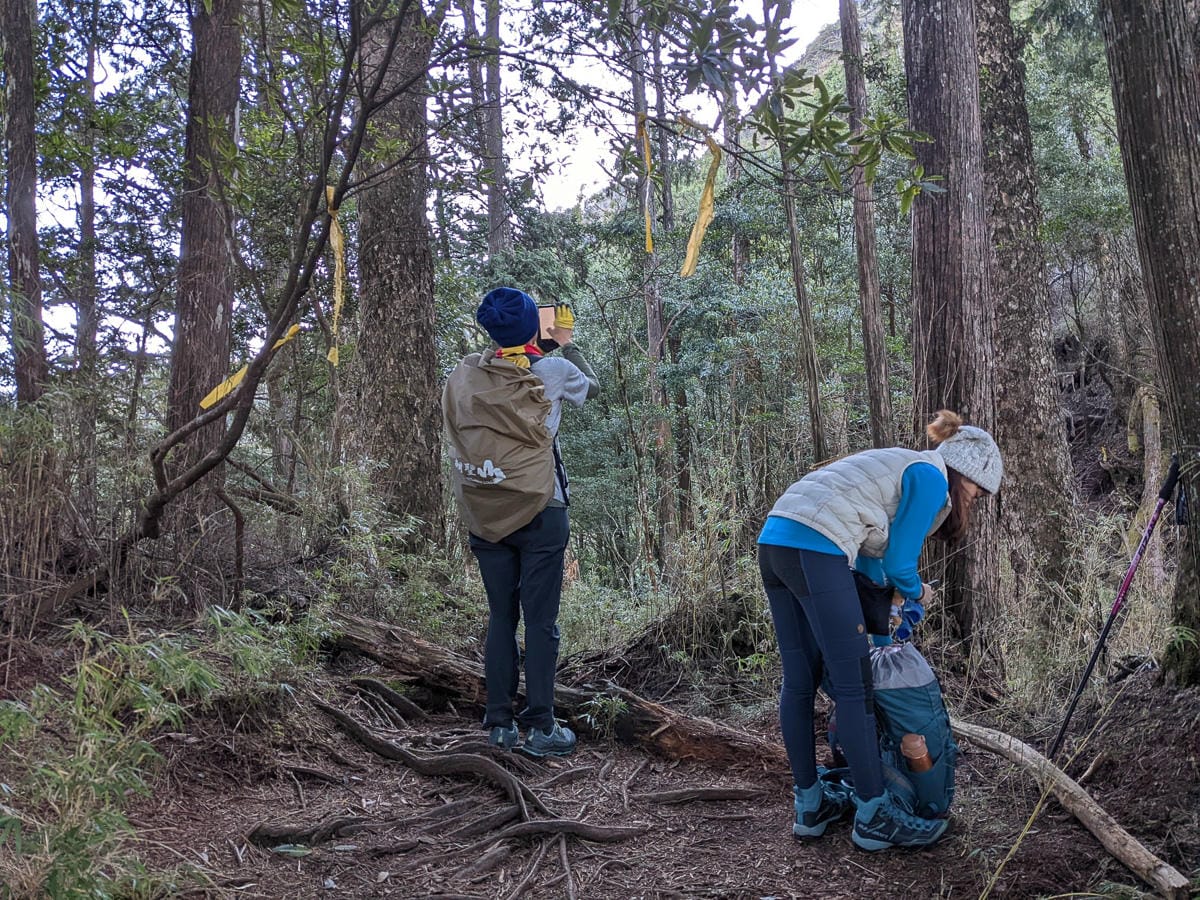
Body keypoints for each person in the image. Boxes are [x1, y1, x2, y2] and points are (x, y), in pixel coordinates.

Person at [757, 410, 1002, 851]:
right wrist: (919, 593)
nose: (974, 503)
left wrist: (885, 637)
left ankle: (810, 807)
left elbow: (872, 567)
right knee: (856, 689)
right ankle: (874, 816)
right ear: (964, 474)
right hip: (818, 545)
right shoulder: (931, 477)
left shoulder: (899, 466)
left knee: (799, 681)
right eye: (977, 493)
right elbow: (899, 564)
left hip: (776, 541)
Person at [461, 286, 599, 757]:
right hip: (542, 508)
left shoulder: (469, 374)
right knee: (541, 622)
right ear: (532, 326)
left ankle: (499, 725)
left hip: (487, 509)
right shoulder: (554, 370)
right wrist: (565, 342)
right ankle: (542, 727)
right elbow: (593, 388)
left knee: (501, 617)